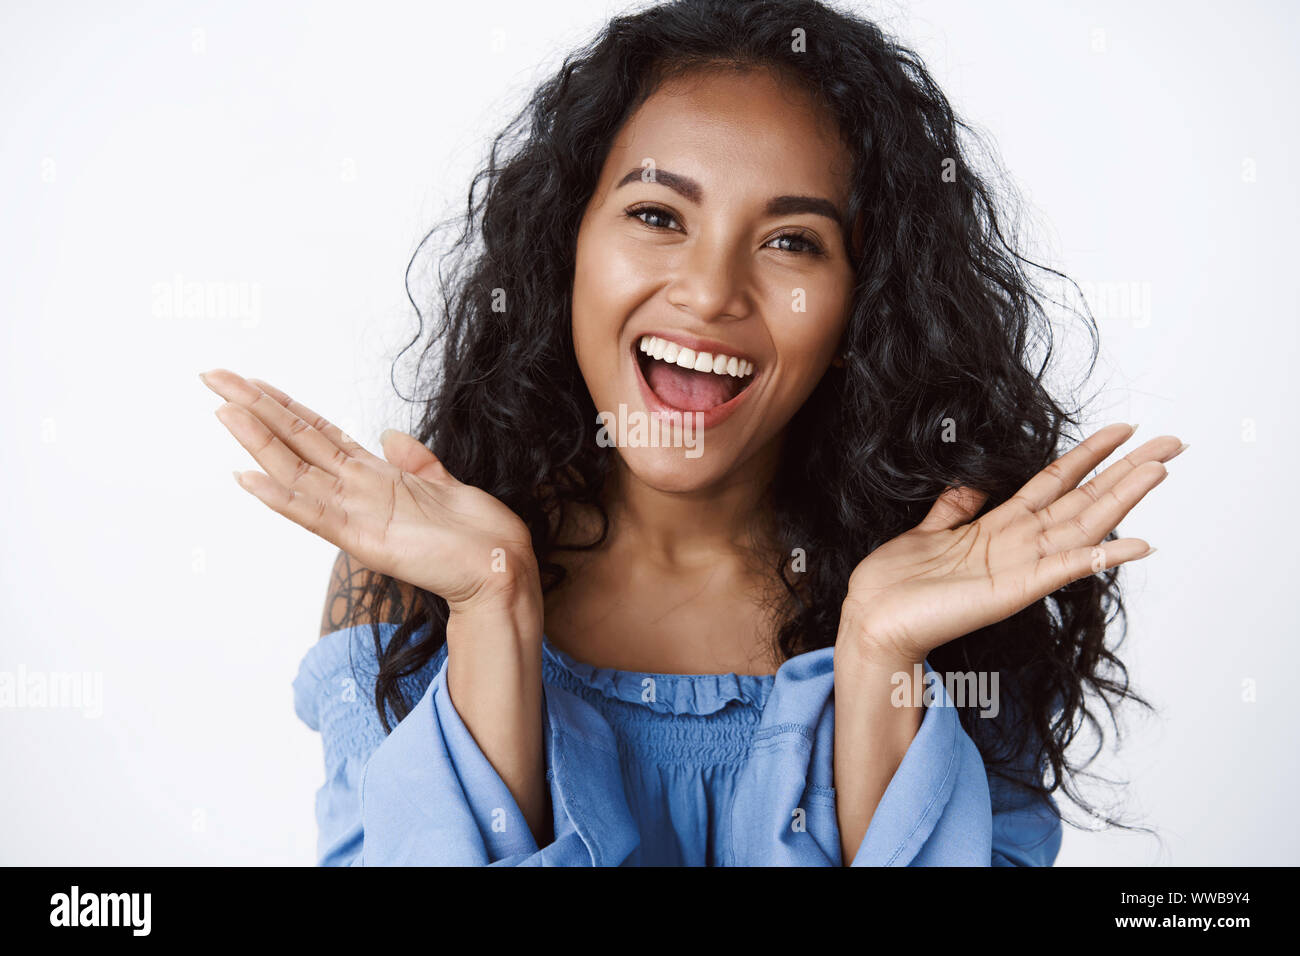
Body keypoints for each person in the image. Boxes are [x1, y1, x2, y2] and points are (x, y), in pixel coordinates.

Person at [202, 0, 1185, 865]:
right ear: (564, 248)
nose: (710, 292)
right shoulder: (408, 583)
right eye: (656, 214)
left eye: (792, 240)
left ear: (861, 308)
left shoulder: (956, 593)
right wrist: (491, 617)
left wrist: (879, 651)